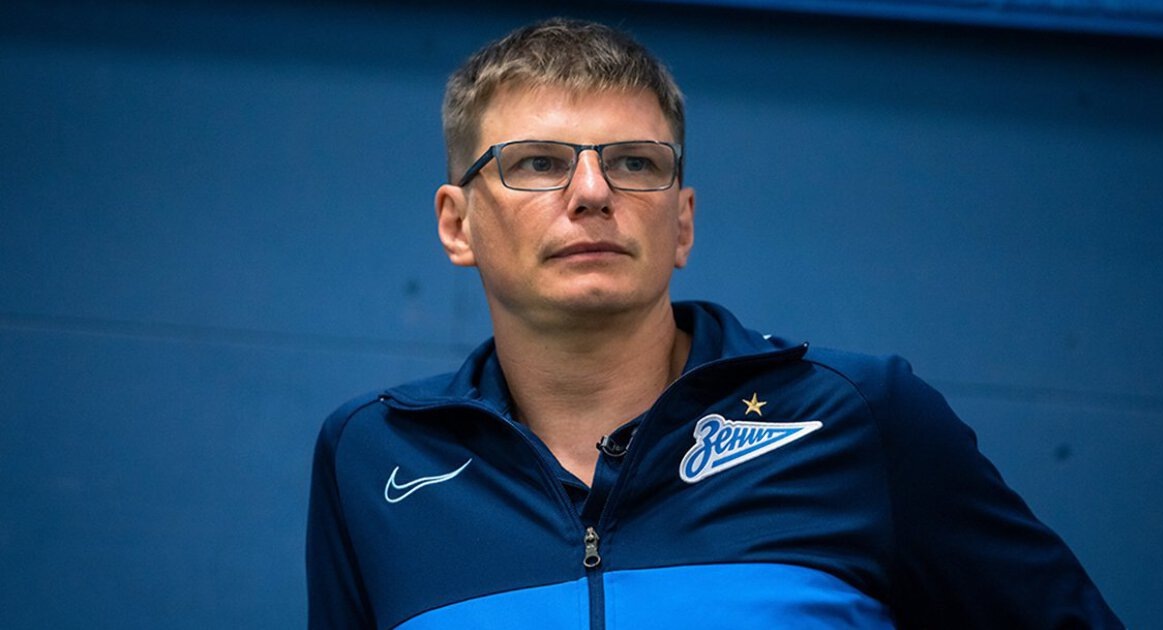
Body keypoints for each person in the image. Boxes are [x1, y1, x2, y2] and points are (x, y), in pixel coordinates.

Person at [306, 17, 1121, 629]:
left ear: (683, 223)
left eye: (635, 163)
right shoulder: (373, 455)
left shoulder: (857, 416)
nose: (592, 192)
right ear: (457, 225)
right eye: (538, 163)